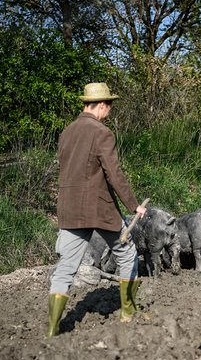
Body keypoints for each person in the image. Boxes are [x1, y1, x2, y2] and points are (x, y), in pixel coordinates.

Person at [47, 82, 147, 337]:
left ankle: (52, 328)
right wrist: (133, 204)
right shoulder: (102, 133)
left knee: (66, 266)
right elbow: (114, 174)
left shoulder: (66, 133)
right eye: (110, 106)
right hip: (100, 209)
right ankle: (128, 312)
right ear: (101, 105)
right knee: (127, 254)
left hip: (69, 209)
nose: (110, 111)